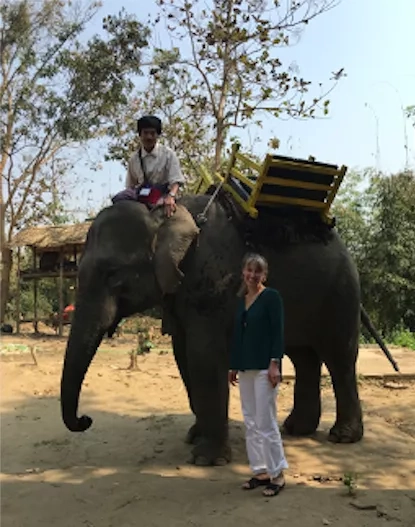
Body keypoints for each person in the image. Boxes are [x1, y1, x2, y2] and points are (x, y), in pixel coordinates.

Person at [229, 253, 288, 498]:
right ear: (243, 272)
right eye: (249, 271)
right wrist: (234, 364)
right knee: (251, 421)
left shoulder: (271, 297)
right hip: (246, 367)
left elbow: (278, 332)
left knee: (266, 422)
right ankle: (260, 471)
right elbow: (238, 336)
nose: (252, 275)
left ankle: (278, 474)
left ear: (264, 275)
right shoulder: (242, 300)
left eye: (257, 272)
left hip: (265, 367)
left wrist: (275, 363)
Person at [113, 115, 186, 217]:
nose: (149, 137)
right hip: (142, 195)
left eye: (152, 133)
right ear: (140, 135)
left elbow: (176, 180)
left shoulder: (168, 154)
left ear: (157, 135)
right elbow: (130, 186)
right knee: (119, 198)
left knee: (160, 209)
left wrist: (171, 196)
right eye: (145, 133)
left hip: (162, 194)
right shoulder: (134, 159)